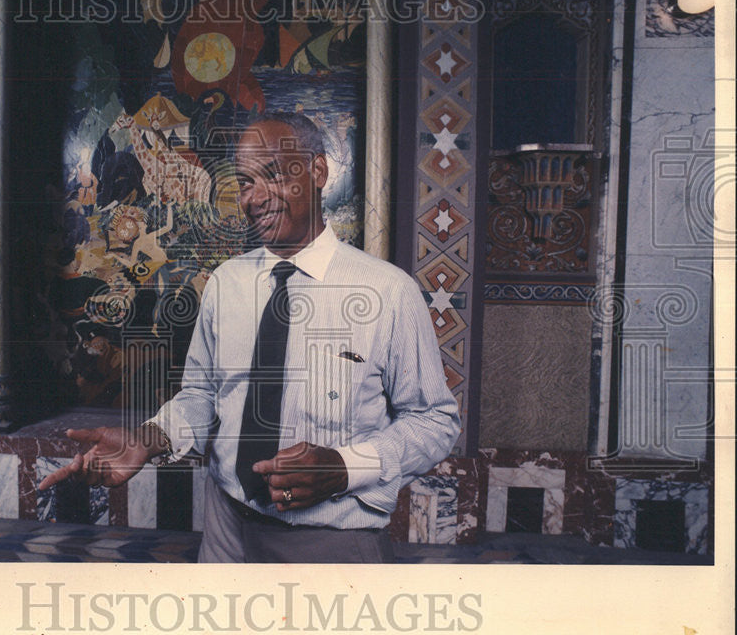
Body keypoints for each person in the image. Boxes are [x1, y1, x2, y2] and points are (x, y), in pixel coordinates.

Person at [39, 112, 461, 562]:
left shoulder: (388, 291)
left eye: (273, 175)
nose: (254, 198)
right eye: (244, 183)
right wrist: (149, 437)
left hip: (333, 543)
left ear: (318, 171)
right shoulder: (226, 283)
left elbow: (434, 421)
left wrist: (343, 467)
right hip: (225, 531)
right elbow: (203, 396)